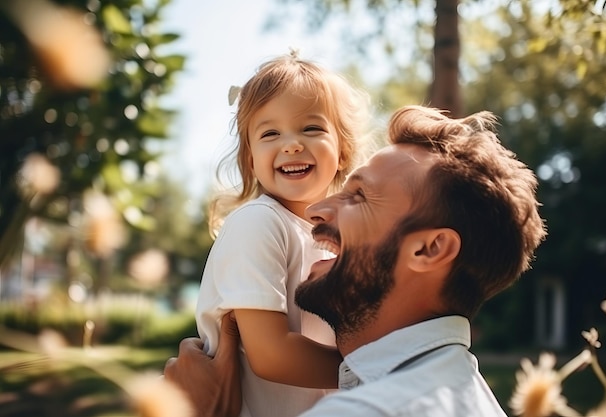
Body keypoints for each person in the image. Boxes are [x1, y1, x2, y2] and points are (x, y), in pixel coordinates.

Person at [165, 104, 547, 417]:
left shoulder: (366, 409)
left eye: (359, 197)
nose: (316, 210)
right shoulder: (468, 396)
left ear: (429, 249)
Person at [194, 51, 373, 417]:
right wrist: (375, 373)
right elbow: (271, 355)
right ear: (250, 159)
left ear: (342, 151)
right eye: (270, 133)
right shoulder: (258, 223)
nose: (291, 144)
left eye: (311, 128)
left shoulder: (339, 240)